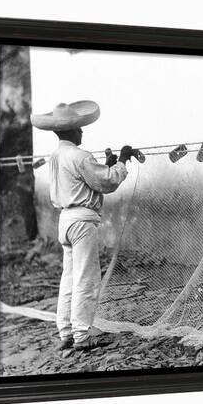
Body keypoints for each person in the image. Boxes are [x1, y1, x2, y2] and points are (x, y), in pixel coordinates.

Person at [31, 101, 134, 351]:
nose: (82, 132)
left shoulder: (55, 156)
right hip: (82, 221)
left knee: (69, 278)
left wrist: (106, 163)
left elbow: (87, 179)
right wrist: (121, 161)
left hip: (65, 220)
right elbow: (107, 182)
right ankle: (81, 335)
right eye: (79, 128)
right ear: (72, 131)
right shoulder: (81, 156)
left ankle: (66, 331)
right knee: (85, 279)